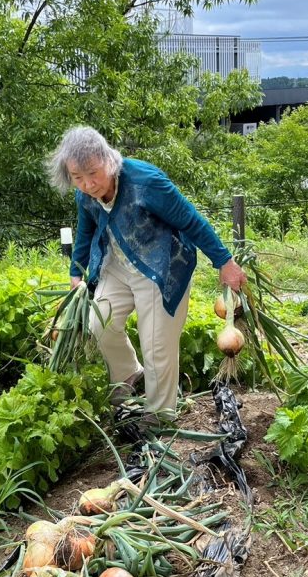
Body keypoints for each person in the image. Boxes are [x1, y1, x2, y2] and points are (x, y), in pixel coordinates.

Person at [48, 125, 246, 419]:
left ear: (108, 160)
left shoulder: (146, 181)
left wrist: (225, 262)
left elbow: (191, 220)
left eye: (93, 173)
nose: (88, 184)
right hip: (116, 265)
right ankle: (128, 371)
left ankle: (160, 415)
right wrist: (76, 271)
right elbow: (86, 230)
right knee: (97, 324)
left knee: (156, 346)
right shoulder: (85, 195)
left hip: (161, 267)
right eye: (78, 178)